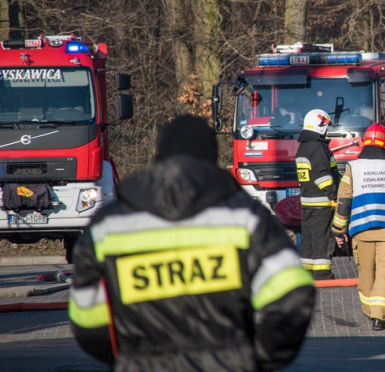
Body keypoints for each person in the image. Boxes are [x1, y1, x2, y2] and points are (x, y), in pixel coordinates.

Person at [68, 115, 315, 371]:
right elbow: (292, 294)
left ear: (158, 156)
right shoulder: (245, 218)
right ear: (212, 159)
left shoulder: (108, 226)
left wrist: (131, 358)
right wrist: (259, 358)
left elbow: (87, 317)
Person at [331, 123, 385, 331]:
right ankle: (380, 317)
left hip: (361, 230)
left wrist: (338, 231)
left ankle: (370, 311)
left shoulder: (353, 168)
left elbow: (344, 202)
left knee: (366, 272)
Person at [296, 109, 342, 279]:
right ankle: (322, 273)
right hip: (322, 202)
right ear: (321, 125)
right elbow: (322, 176)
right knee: (322, 238)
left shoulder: (302, 148)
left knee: (308, 239)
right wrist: (333, 197)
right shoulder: (318, 148)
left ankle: (307, 273)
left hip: (307, 202)